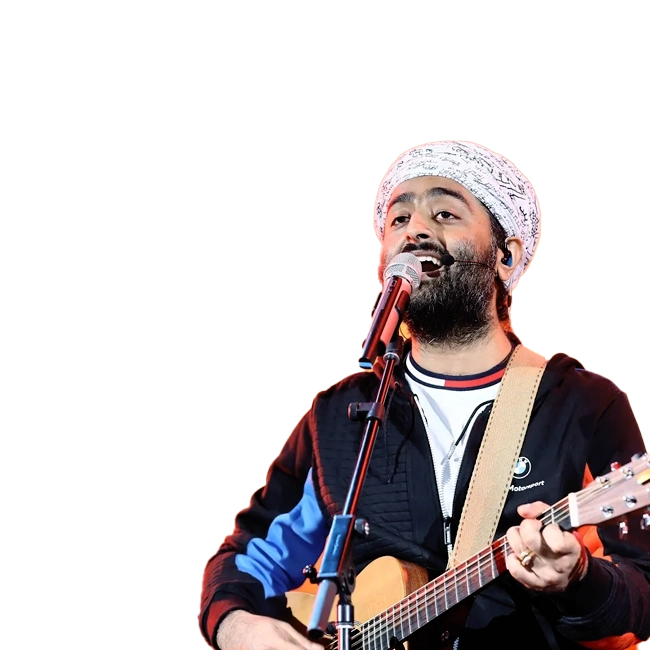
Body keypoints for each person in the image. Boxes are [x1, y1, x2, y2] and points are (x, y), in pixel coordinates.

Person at [198, 141, 650, 650]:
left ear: (507, 256)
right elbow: (248, 556)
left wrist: (579, 579)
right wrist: (236, 625)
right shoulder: (340, 417)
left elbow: (644, 592)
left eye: (445, 212)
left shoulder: (583, 406)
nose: (415, 230)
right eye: (398, 218)